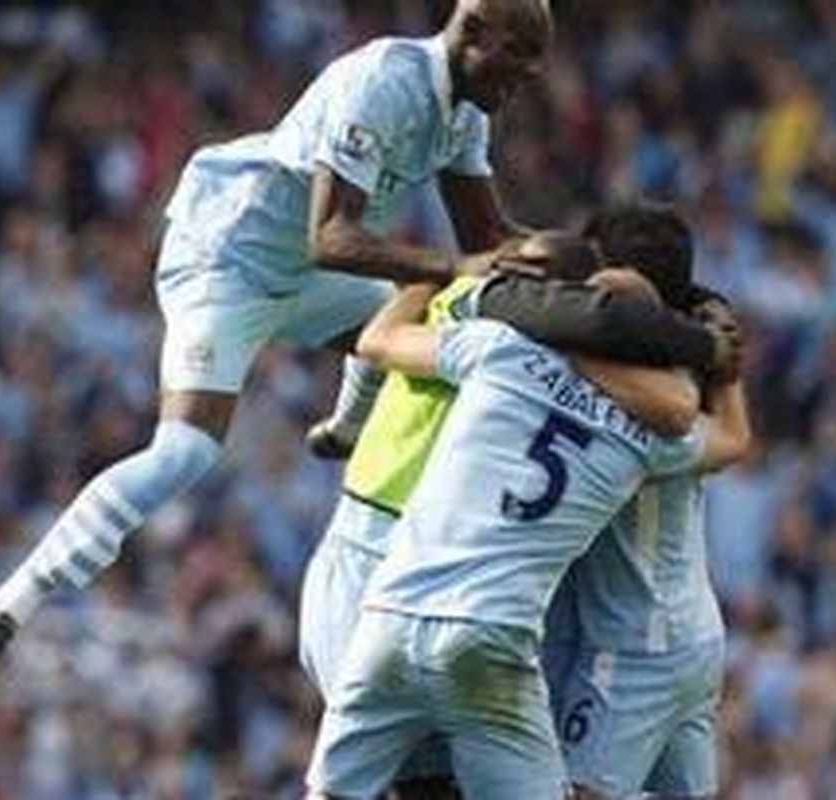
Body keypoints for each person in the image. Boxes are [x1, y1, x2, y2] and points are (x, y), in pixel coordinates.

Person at [0, 0, 555, 690]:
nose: (529, 75)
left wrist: (579, 265)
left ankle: (348, 429)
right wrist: (458, 268)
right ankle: (4, 607)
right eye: (518, 53)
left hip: (306, 273)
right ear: (470, 33)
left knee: (426, 324)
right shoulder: (387, 79)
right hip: (228, 258)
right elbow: (337, 238)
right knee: (185, 454)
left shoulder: (465, 115)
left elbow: (487, 241)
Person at [299, 227, 735, 795]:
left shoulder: (496, 348)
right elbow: (714, 430)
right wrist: (714, 349)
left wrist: (444, 268)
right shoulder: (646, 438)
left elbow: (379, 340)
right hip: (489, 635)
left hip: (383, 605)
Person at [553, 210, 750, 799]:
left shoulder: (632, 405)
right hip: (695, 637)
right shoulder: (680, 371)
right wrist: (723, 345)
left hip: (634, 650)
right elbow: (737, 438)